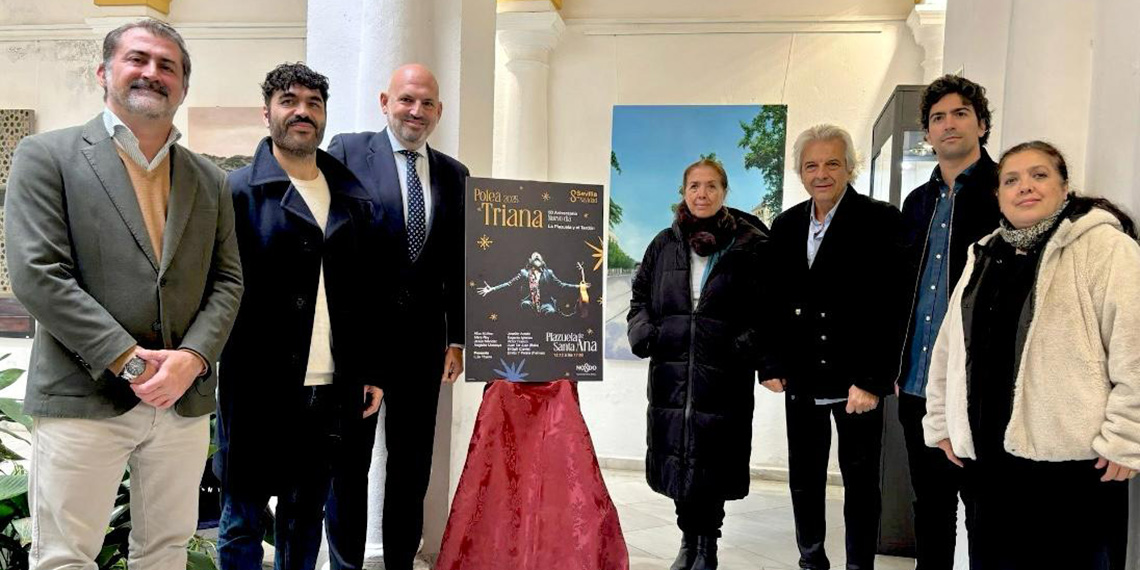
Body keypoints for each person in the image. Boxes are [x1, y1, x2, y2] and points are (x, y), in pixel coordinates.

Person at [4, 19, 242, 569]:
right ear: (104, 72)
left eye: (168, 66)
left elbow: (228, 281)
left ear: (183, 86)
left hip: (180, 404)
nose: (152, 73)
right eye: (138, 59)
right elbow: (39, 274)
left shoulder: (209, 179)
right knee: (65, 557)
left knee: (165, 551)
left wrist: (192, 359)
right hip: (82, 397)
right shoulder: (48, 157)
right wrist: (130, 362)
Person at [923, 141, 1140, 570]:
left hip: (1074, 466)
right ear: (998, 195)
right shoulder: (983, 254)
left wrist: (1126, 437)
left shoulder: (1104, 248)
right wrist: (941, 421)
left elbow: (1133, 346)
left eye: (1039, 175)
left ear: (1063, 187)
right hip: (990, 462)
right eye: (1012, 180)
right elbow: (949, 349)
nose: (1025, 187)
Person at [214, 63, 383, 570]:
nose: (302, 112)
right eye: (289, 101)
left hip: (330, 388)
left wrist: (369, 368)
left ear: (324, 115)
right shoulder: (238, 191)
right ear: (267, 112)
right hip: (256, 386)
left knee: (305, 517)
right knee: (242, 519)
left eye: (313, 103)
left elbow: (366, 292)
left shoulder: (352, 198)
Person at [326, 63, 468, 570]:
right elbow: (333, 250)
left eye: (427, 103)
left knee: (411, 470)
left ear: (439, 111)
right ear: (385, 101)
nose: (417, 111)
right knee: (349, 467)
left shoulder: (454, 174)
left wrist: (458, 339)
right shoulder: (345, 152)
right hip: (360, 349)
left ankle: (400, 565)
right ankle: (345, 564)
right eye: (407, 99)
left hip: (424, 350)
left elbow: (458, 262)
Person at [763, 124, 902, 570]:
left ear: (849, 167)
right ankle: (811, 560)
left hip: (856, 381)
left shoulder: (881, 220)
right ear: (800, 172)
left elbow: (892, 306)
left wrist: (872, 380)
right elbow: (771, 300)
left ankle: (859, 565)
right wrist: (770, 362)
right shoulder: (785, 225)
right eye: (811, 165)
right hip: (802, 376)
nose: (821, 173)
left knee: (861, 481)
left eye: (831, 163)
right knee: (804, 478)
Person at [627, 158, 772, 570]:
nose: (702, 194)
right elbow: (639, 299)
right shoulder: (663, 244)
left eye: (711, 186)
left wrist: (741, 347)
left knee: (711, 462)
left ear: (724, 192)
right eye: (694, 186)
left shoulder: (749, 245)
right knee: (679, 459)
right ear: (683, 192)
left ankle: (707, 546)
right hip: (672, 372)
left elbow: (769, 309)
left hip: (723, 375)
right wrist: (644, 333)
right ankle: (688, 541)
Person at [895, 74, 1000, 569]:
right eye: (938, 117)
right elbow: (900, 295)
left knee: (985, 511)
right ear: (928, 133)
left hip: (979, 386)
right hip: (919, 384)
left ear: (981, 123)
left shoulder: (1006, 194)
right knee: (930, 506)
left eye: (960, 113)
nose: (949, 124)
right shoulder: (916, 203)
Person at [476, 251, 587, 315]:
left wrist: (579, 286)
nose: (537, 257)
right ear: (530, 261)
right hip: (529, 302)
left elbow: (562, 285)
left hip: (545, 303)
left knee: (551, 312)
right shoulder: (524, 273)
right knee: (526, 306)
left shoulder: (549, 273)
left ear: (543, 261)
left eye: (539, 256)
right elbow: (509, 284)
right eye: (535, 257)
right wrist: (492, 289)